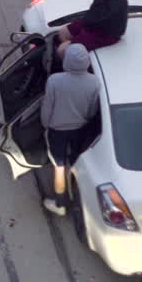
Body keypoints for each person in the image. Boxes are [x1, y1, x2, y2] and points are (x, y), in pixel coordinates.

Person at [40, 43, 101, 217]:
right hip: (79, 129)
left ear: (66, 60)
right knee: (77, 164)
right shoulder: (94, 82)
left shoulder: (55, 81)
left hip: (57, 130)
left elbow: (47, 107)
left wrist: (46, 124)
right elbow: (92, 110)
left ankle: (60, 203)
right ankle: (81, 200)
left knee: (59, 166)